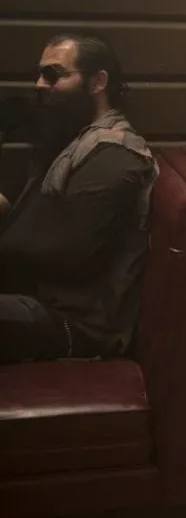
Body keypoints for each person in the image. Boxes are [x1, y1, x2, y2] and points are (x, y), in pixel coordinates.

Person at [0, 33, 157, 363]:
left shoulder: (114, 153)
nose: (40, 85)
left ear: (98, 82)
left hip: (75, 325)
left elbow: (68, 253)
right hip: (38, 298)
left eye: (54, 75)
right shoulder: (72, 142)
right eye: (40, 74)